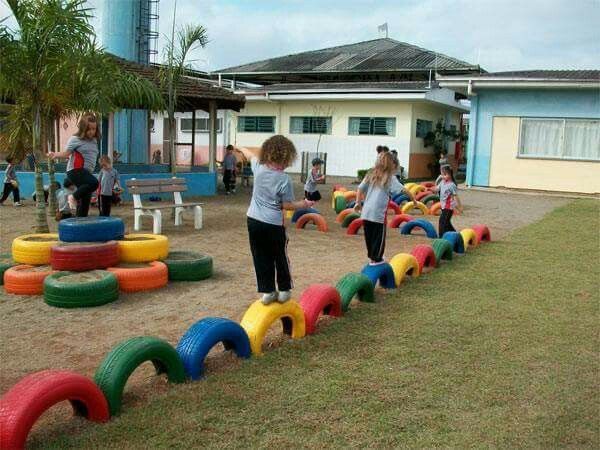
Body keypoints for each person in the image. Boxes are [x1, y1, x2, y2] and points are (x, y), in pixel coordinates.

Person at [243, 135, 315, 304]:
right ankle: (284, 289)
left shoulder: (258, 167)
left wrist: (241, 148)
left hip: (253, 221)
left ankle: (267, 291)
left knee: (260, 256)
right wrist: (305, 204)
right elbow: (287, 205)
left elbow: (249, 154)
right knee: (279, 255)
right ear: (287, 157)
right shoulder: (284, 179)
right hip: (273, 224)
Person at [354, 152, 415, 265]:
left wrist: (357, 203)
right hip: (378, 214)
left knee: (370, 237)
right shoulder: (390, 178)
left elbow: (360, 189)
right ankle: (376, 259)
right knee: (378, 238)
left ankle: (372, 257)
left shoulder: (371, 173)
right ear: (391, 164)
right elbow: (404, 190)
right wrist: (414, 200)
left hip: (366, 212)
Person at [50, 114, 100, 217]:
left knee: (85, 199)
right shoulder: (75, 139)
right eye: (89, 129)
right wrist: (55, 154)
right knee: (94, 183)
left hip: (86, 172)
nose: (91, 131)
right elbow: (66, 154)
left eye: (94, 129)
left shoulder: (94, 140)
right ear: (83, 128)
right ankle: (73, 197)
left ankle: (81, 222)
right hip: (75, 170)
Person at [432, 165, 463, 237]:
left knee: (442, 222)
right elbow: (436, 189)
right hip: (443, 207)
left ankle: (441, 238)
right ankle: (456, 235)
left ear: (450, 175)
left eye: (445, 174)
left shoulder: (452, 185)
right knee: (447, 223)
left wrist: (459, 207)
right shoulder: (442, 182)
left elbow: (456, 197)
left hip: (448, 208)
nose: (443, 176)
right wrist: (431, 189)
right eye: (442, 174)